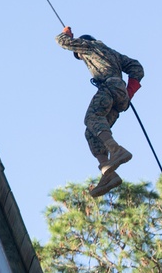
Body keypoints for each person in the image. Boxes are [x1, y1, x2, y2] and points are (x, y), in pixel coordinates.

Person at [55, 26, 144, 197]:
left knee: (92, 117)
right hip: (119, 95)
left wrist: (65, 34)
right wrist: (129, 91)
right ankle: (108, 172)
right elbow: (136, 67)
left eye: (79, 55)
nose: (81, 57)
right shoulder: (112, 53)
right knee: (92, 132)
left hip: (109, 87)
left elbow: (62, 41)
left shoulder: (89, 46)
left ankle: (116, 150)